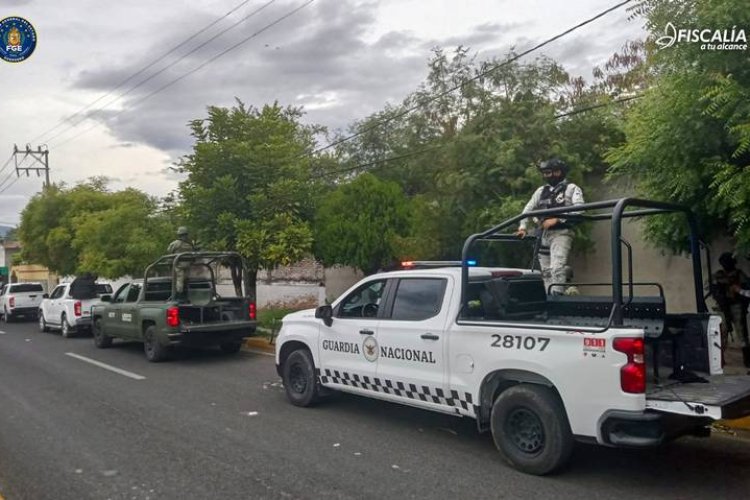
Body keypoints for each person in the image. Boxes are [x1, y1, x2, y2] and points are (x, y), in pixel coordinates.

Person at [515, 158, 584, 294]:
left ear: (559, 172)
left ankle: (558, 297)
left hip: (561, 233)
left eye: (550, 172)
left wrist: (557, 219)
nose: (547, 176)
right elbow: (527, 209)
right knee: (546, 272)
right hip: (543, 234)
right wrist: (522, 227)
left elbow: (580, 209)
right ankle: (549, 296)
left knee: (557, 267)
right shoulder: (541, 190)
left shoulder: (571, 188)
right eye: (545, 173)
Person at [712, 252, 749, 345]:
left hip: (736, 305)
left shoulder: (739, 274)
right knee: (720, 334)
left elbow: (746, 290)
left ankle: (747, 357)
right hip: (723, 307)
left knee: (742, 336)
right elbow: (714, 290)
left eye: (727, 262)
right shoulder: (719, 275)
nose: (725, 264)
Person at [167, 226, 196, 301]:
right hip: (187, 265)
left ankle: (179, 296)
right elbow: (193, 256)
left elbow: (169, 252)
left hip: (178, 265)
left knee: (179, 280)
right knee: (185, 279)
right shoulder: (190, 245)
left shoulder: (175, 244)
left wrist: (169, 263)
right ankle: (185, 295)